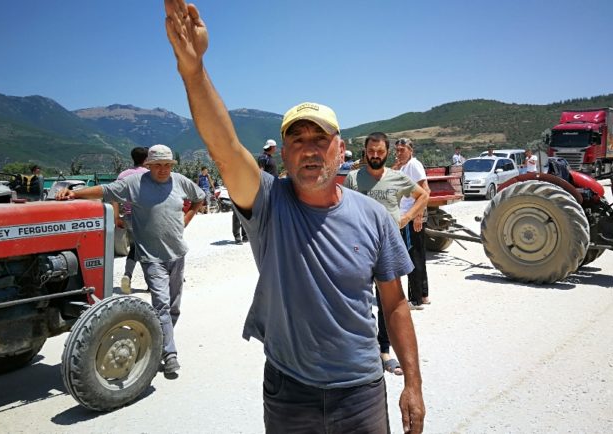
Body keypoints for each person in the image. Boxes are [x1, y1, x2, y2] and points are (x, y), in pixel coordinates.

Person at [163, 2, 425, 432]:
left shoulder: (373, 218)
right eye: (297, 139)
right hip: (289, 391)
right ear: (283, 153)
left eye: (320, 138)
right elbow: (225, 149)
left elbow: (394, 303)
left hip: (360, 390)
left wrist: (413, 383)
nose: (309, 149)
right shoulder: (270, 204)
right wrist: (194, 71)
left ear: (340, 149)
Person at [56, 143, 204, 379]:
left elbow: (200, 197)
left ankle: (159, 342)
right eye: (158, 165)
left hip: (178, 254)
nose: (163, 169)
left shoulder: (180, 181)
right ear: (149, 165)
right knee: (162, 305)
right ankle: (170, 354)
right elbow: (106, 190)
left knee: (174, 307)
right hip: (152, 257)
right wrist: (75, 193)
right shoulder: (135, 183)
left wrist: (187, 218)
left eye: (167, 165)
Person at [343, 132, 429, 377]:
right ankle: (361, 350)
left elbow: (423, 195)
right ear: (365, 151)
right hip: (358, 247)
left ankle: (384, 351)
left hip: (387, 248)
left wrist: (407, 217)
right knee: (357, 300)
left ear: (387, 153)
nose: (375, 155)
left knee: (388, 303)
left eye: (380, 152)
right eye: (371, 151)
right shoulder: (353, 178)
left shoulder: (397, 177)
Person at [393, 138, 431, 307]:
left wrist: (417, 216)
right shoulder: (403, 166)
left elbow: (426, 190)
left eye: (402, 150)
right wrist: (397, 165)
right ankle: (423, 295)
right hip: (408, 216)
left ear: (411, 150)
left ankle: (415, 299)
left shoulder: (414, 165)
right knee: (418, 255)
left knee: (413, 257)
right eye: (397, 150)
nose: (398, 153)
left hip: (411, 216)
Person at [115, 146, 150, 294]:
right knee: (148, 249)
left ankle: (127, 276)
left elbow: (114, 196)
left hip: (128, 216)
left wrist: (116, 217)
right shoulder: (148, 174)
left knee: (135, 248)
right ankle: (151, 282)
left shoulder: (123, 175)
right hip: (146, 217)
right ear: (146, 159)